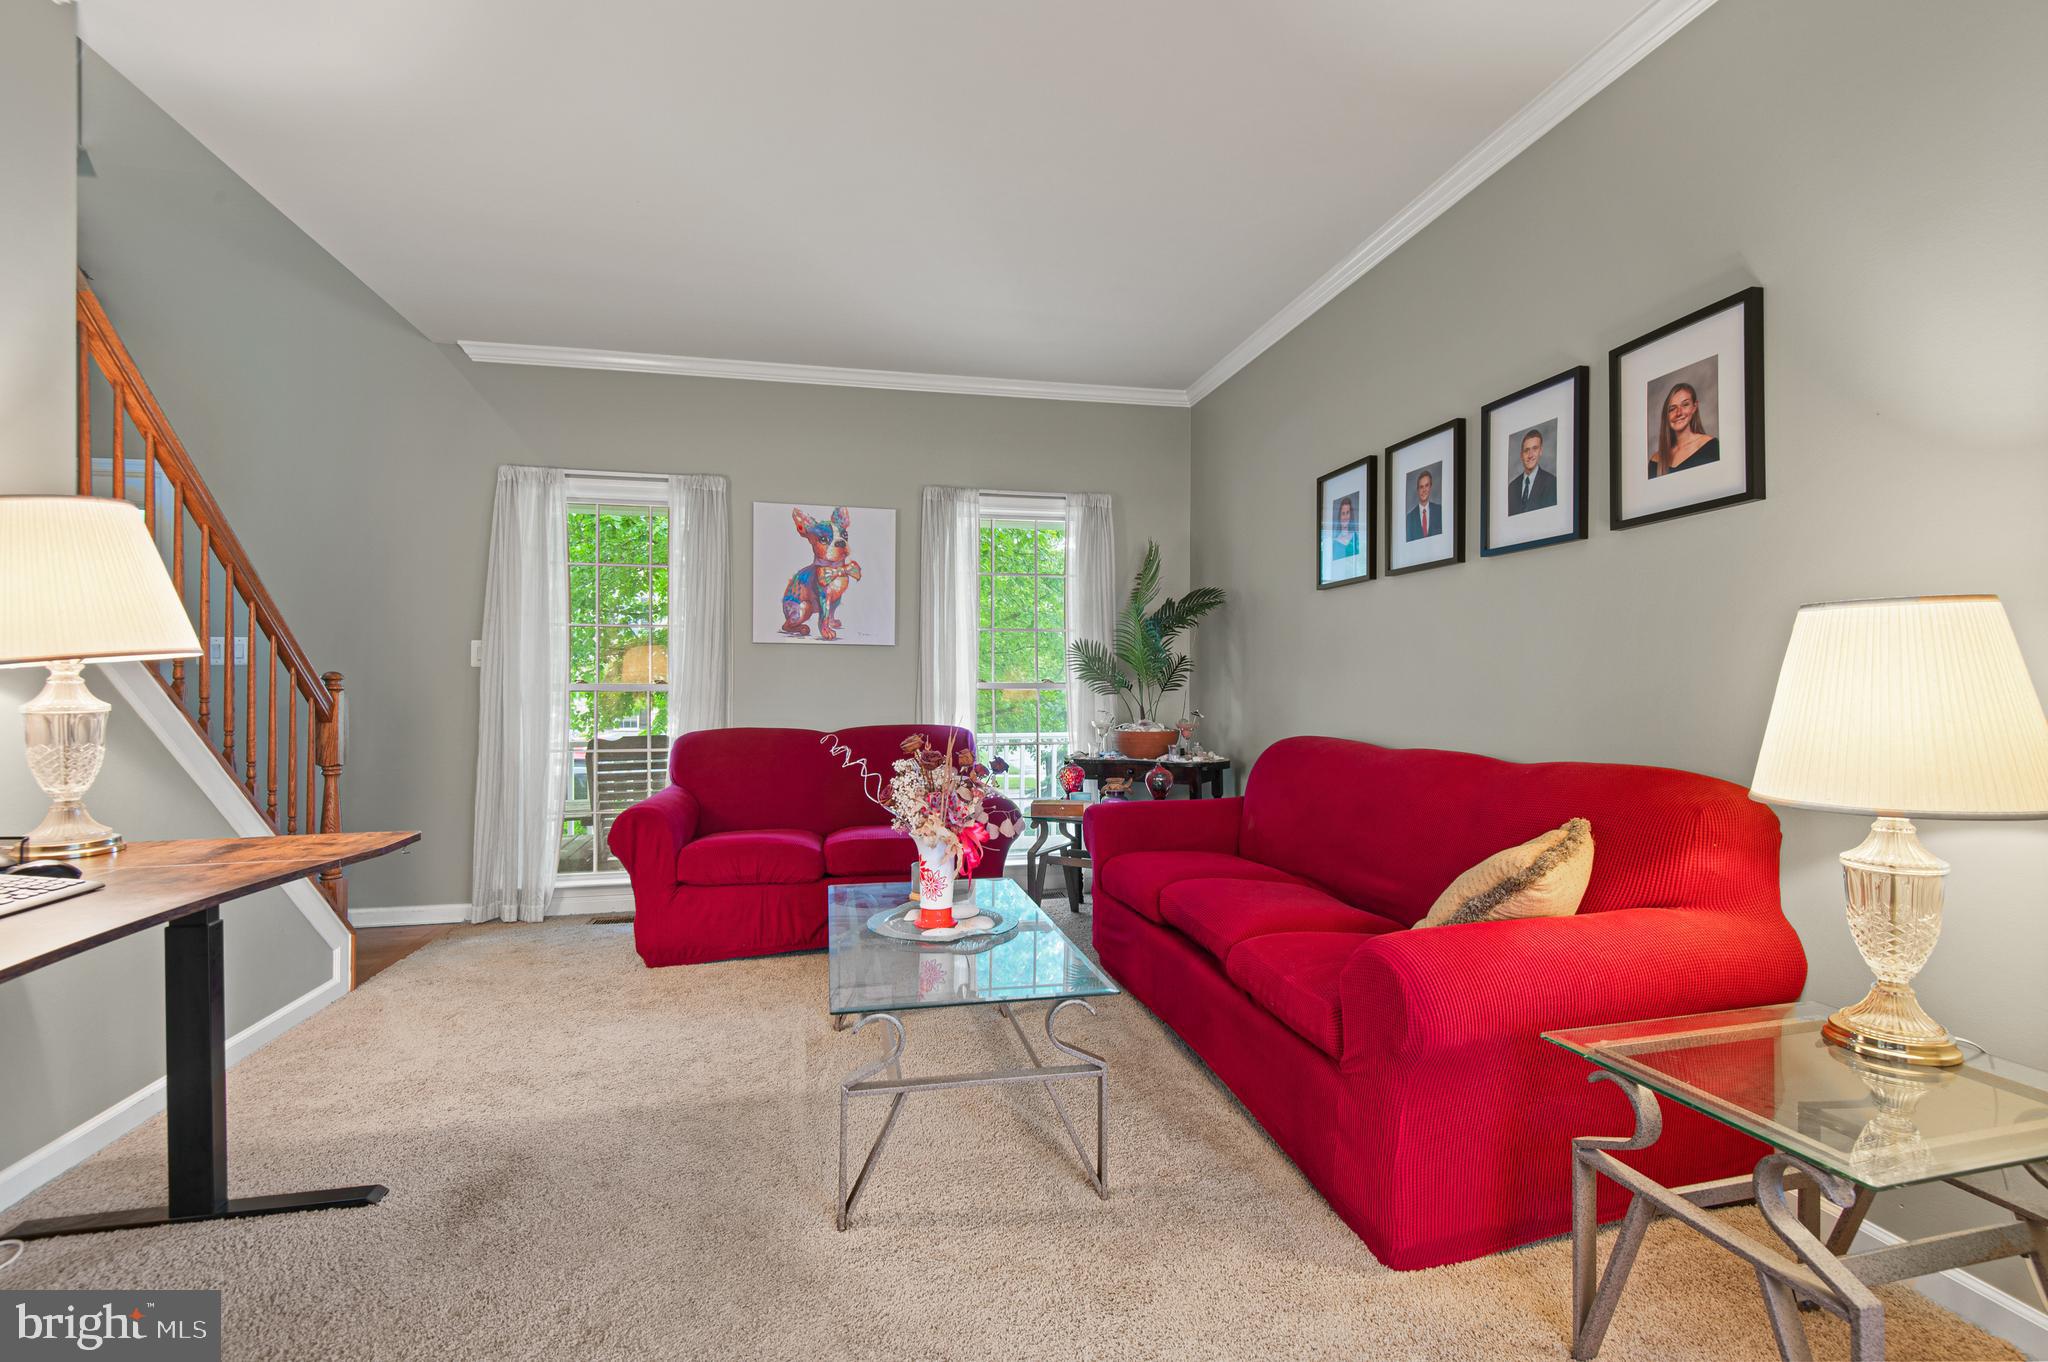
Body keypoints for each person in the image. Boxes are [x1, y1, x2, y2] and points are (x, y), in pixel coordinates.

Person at [1650, 381, 1720, 476]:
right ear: (1666, 415)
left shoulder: (1711, 446)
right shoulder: (1655, 460)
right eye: (1672, 409)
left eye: (1685, 404)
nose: (1679, 413)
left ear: (1694, 407)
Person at [1506, 429, 1557, 515]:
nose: (1530, 455)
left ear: (1540, 451)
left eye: (1535, 449)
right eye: (1526, 450)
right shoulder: (1512, 488)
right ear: (1521, 455)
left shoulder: (1552, 483)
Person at [1405, 468, 1443, 540]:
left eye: (1426, 485)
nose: (1424, 490)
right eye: (1421, 487)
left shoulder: (1440, 511)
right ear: (1418, 490)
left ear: (1430, 487)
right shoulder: (1409, 518)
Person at [1328, 494, 1360, 560]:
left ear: (1351, 515)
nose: (1345, 517)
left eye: (1347, 513)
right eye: (1343, 513)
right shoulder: (1334, 543)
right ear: (1339, 516)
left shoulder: (1356, 538)